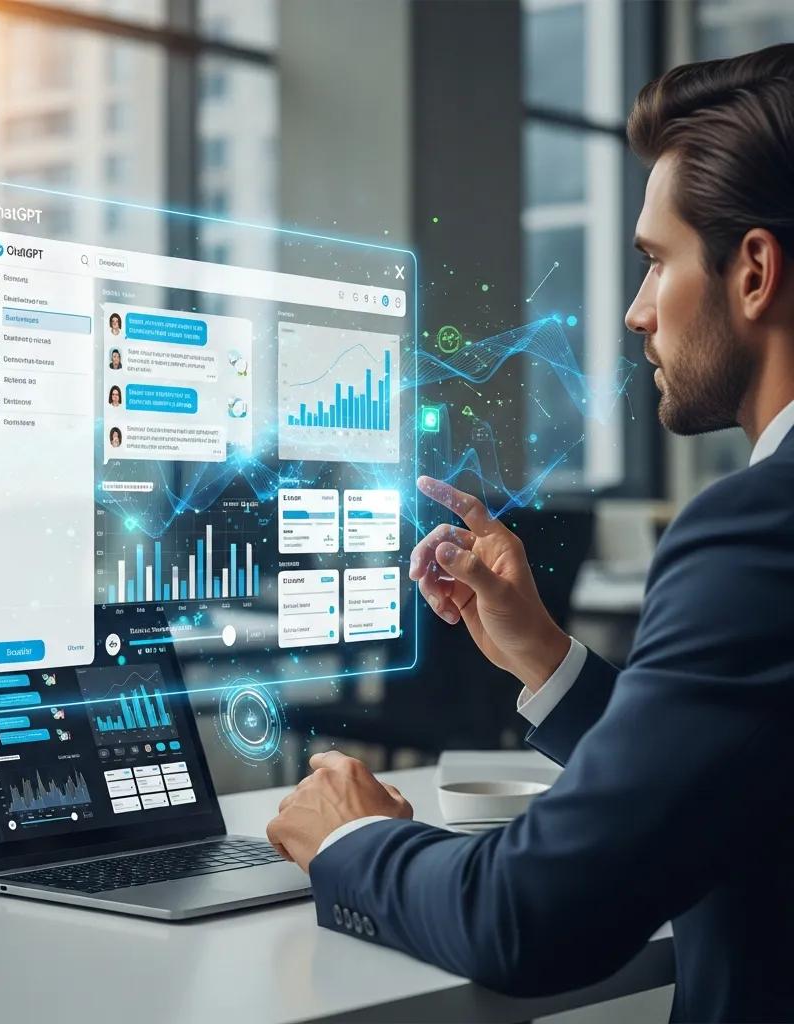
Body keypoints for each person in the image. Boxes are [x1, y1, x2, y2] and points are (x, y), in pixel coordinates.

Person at [267, 44, 794, 1024]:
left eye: (654, 261)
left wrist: (351, 841)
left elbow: (531, 918)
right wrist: (545, 659)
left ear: (753, 271)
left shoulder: (756, 530)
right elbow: (720, 773)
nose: (637, 314)